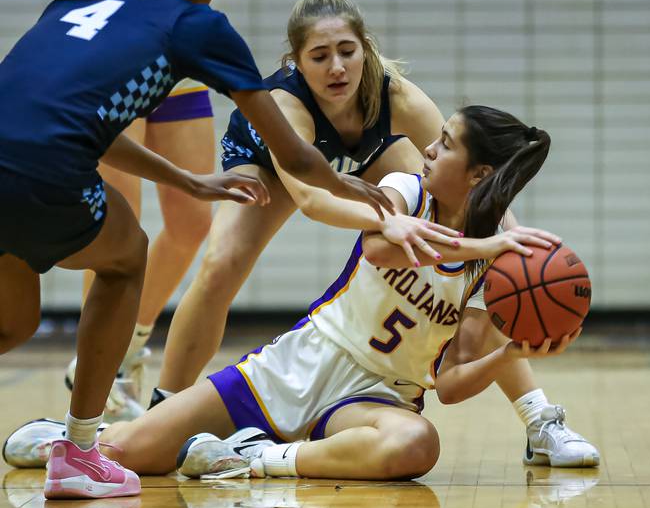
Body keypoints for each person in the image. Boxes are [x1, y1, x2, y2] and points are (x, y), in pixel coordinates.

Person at [0, 0, 396, 499]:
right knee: (127, 254)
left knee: (13, 323)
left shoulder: (78, 1)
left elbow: (90, 122)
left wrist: (189, 182)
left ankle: (84, 434)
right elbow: (290, 151)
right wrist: (347, 183)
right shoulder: (196, 23)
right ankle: (80, 451)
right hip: (44, 170)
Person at [5, 106, 600, 481]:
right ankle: (68, 440)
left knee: (416, 445)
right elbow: (380, 249)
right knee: (136, 453)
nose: (428, 148)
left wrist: (513, 353)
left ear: (476, 174)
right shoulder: (403, 191)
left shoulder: (495, 269)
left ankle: (252, 459)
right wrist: (479, 249)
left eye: (444, 145)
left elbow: (448, 383)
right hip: (301, 361)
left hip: (379, 398)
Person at [147, 0, 597, 469]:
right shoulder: (287, 102)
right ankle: (166, 403)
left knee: (482, 261)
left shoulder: (395, 94)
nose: (336, 67)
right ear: (297, 63)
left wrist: (516, 251)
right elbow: (313, 199)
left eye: (347, 51)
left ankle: (539, 420)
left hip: (361, 160)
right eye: (319, 57)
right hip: (276, 168)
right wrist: (394, 221)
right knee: (221, 264)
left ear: (367, 49)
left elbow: (478, 189)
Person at [0, 0, 253, 421]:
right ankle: (104, 374)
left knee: (191, 221)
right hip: (108, 44)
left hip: (175, 48)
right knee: (119, 225)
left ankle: (130, 343)